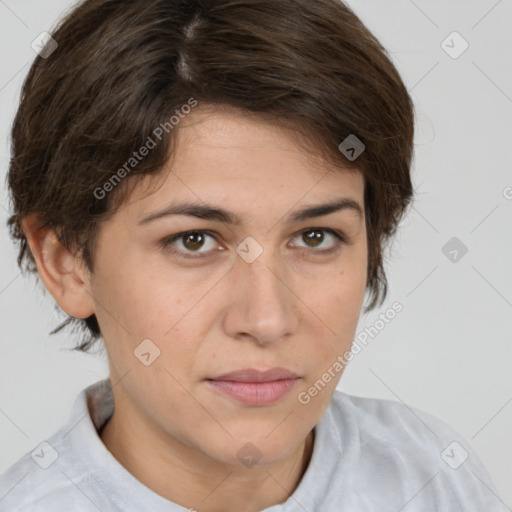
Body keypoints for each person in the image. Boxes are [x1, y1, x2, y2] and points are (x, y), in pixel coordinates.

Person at [0, 0, 507, 510]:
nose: (266, 319)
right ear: (65, 262)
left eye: (316, 237)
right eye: (193, 240)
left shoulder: (434, 478)